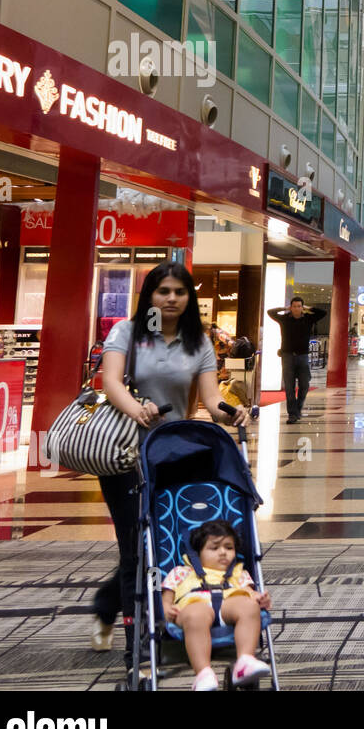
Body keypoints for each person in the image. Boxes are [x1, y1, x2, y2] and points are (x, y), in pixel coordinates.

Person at [93, 262, 245, 666]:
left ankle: (159, 618)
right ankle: (135, 640)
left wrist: (234, 413)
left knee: (172, 543)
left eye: (180, 292)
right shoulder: (127, 332)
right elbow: (110, 384)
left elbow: (212, 402)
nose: (172, 299)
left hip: (175, 455)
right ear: (150, 296)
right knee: (133, 551)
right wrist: (135, 408)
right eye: (164, 292)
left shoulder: (199, 342)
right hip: (125, 453)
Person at [161, 519, 272, 691]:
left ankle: (245, 661)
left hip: (228, 607)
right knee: (196, 614)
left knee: (249, 606)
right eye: (214, 548)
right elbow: (165, 599)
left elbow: (251, 594)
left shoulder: (239, 573)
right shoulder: (181, 572)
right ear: (197, 553)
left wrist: (260, 599)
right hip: (193, 608)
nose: (223, 553)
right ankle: (204, 673)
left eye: (229, 547)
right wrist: (167, 609)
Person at [267, 296, 327, 424]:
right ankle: (292, 414)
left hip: (303, 356)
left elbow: (323, 313)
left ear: (302, 308)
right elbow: (270, 312)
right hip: (287, 356)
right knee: (289, 387)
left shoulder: (308, 319)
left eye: (299, 306)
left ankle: (298, 408)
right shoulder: (284, 319)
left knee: (304, 385)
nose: (296, 309)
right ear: (291, 307)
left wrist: (308, 308)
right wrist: (284, 308)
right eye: (294, 306)